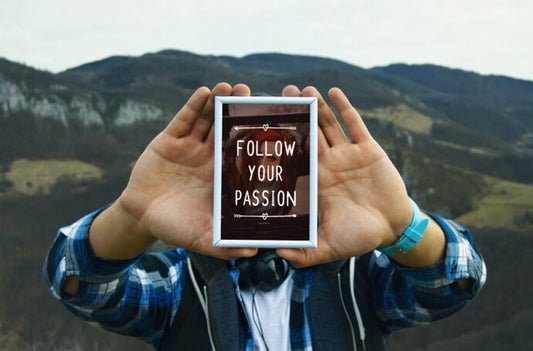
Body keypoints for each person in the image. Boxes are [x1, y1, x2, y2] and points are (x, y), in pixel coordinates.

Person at [43, 83, 486, 351]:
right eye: (251, 162)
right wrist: (133, 215)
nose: (265, 178)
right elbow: (79, 282)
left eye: (286, 163)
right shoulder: (182, 284)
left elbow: (455, 281)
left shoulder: (358, 278)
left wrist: (401, 226)